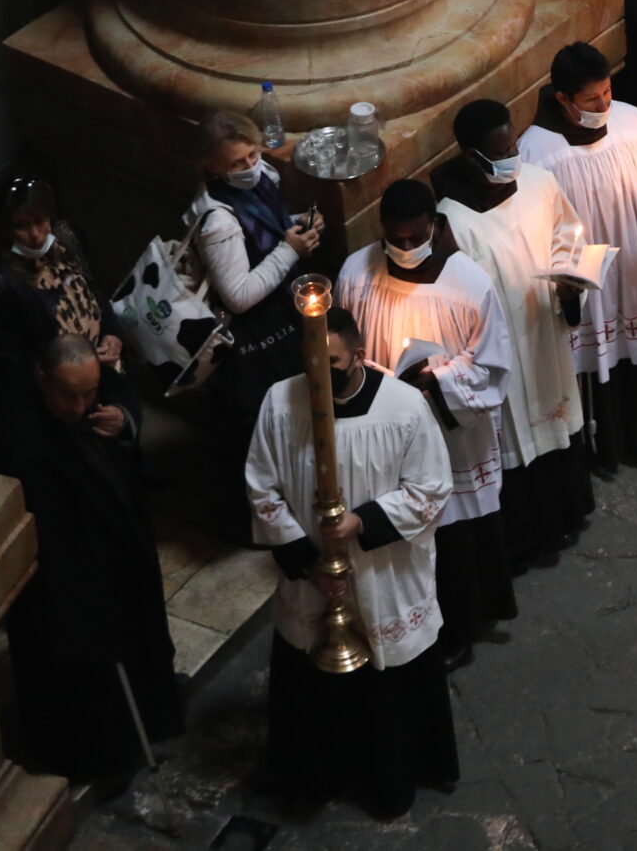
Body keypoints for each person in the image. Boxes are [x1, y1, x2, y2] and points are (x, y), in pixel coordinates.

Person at [245, 305, 458, 820]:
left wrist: (361, 521)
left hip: (384, 578)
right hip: (312, 578)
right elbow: (262, 488)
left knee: (387, 691)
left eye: (333, 362)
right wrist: (305, 559)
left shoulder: (404, 408)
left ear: (359, 355)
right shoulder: (279, 402)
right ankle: (316, 779)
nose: (319, 376)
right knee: (312, 688)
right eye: (311, 363)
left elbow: (432, 487)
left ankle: (390, 779)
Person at [337, 180, 516, 667]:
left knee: (453, 536)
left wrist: (435, 381)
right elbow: (346, 348)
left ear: (435, 227)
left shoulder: (469, 283)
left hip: (451, 434)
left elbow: (492, 367)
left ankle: (461, 627)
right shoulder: (355, 272)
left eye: (418, 238)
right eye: (398, 239)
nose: (408, 248)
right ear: (382, 230)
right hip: (386, 430)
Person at [0, 337, 182, 782]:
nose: (81, 405)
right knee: (82, 672)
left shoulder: (94, 389)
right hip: (65, 575)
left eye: (89, 393)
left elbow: (123, 398)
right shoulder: (15, 430)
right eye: (70, 395)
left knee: (141, 641)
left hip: (121, 547)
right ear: (42, 379)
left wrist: (125, 423)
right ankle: (102, 759)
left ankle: (154, 717)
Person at [432, 100, 596, 570]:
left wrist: (570, 281)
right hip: (503, 351)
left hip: (544, 330)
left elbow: (569, 237)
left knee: (556, 418)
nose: (512, 158)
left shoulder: (539, 184)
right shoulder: (453, 223)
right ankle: (528, 541)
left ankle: (567, 513)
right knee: (516, 441)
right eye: (501, 152)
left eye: (513, 146)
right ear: (471, 157)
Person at [518, 43, 637, 471]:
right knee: (593, 356)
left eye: (607, 91)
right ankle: (601, 448)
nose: (604, 103)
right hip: (585, 279)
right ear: (563, 99)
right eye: (591, 98)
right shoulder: (536, 151)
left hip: (634, 261)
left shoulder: (633, 122)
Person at [189, 109, 319, 537]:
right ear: (212, 167)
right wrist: (289, 250)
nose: (249, 168)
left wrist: (296, 226)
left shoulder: (264, 179)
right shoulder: (219, 223)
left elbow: (269, 223)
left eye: (253, 156)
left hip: (280, 319)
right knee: (265, 431)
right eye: (236, 163)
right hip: (254, 341)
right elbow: (238, 296)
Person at [0, 173, 125, 373]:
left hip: (103, 365)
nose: (34, 234)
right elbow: (17, 360)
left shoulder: (65, 245)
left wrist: (112, 334)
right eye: (21, 226)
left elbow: (94, 293)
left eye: (40, 221)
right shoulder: (6, 284)